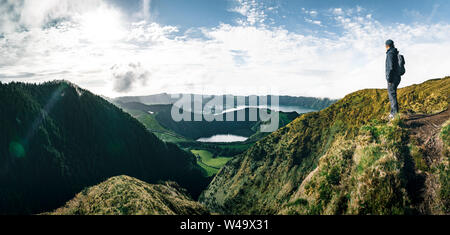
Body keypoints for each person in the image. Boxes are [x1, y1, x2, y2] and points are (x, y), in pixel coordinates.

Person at [385, 39, 401, 120]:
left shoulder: (390, 53)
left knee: (392, 96)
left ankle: (395, 115)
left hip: (393, 78)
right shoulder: (394, 52)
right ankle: (393, 113)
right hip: (397, 76)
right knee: (393, 95)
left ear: (387, 46)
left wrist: (389, 79)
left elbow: (390, 67)